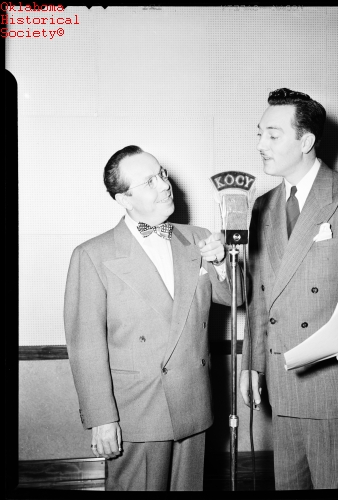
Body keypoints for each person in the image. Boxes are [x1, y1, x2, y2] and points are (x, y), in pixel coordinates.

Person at [64, 145, 242, 491]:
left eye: (162, 174)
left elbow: (236, 298)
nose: (164, 185)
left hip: (194, 404)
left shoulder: (198, 238)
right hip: (138, 412)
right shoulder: (92, 255)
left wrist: (222, 263)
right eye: (149, 182)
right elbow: (85, 346)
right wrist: (102, 419)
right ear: (124, 199)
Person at [239, 88, 338, 490]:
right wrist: (252, 364)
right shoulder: (262, 206)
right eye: (259, 134)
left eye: (272, 135)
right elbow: (260, 297)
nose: (260, 145)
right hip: (283, 384)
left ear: (305, 141)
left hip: (337, 384)